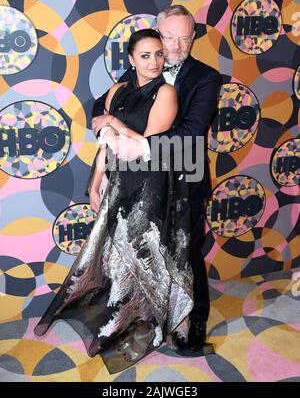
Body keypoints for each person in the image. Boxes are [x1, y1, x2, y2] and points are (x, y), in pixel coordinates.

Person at [34, 28, 202, 374]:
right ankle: (115, 318)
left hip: (153, 183)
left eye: (159, 54)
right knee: (113, 254)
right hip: (119, 181)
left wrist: (111, 123)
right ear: (130, 59)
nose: (155, 61)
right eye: (146, 55)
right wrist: (95, 183)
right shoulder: (117, 90)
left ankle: (137, 326)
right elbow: (105, 145)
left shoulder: (166, 93)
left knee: (145, 256)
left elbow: (147, 144)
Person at [92, 5, 222, 356]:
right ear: (157, 36)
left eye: (183, 37)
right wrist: (107, 123)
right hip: (143, 182)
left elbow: (192, 131)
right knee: (143, 253)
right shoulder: (147, 64)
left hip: (186, 175)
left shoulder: (206, 77)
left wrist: (132, 141)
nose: (176, 45)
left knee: (186, 254)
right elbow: (107, 104)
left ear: (193, 36)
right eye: (168, 37)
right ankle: (144, 320)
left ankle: (192, 323)